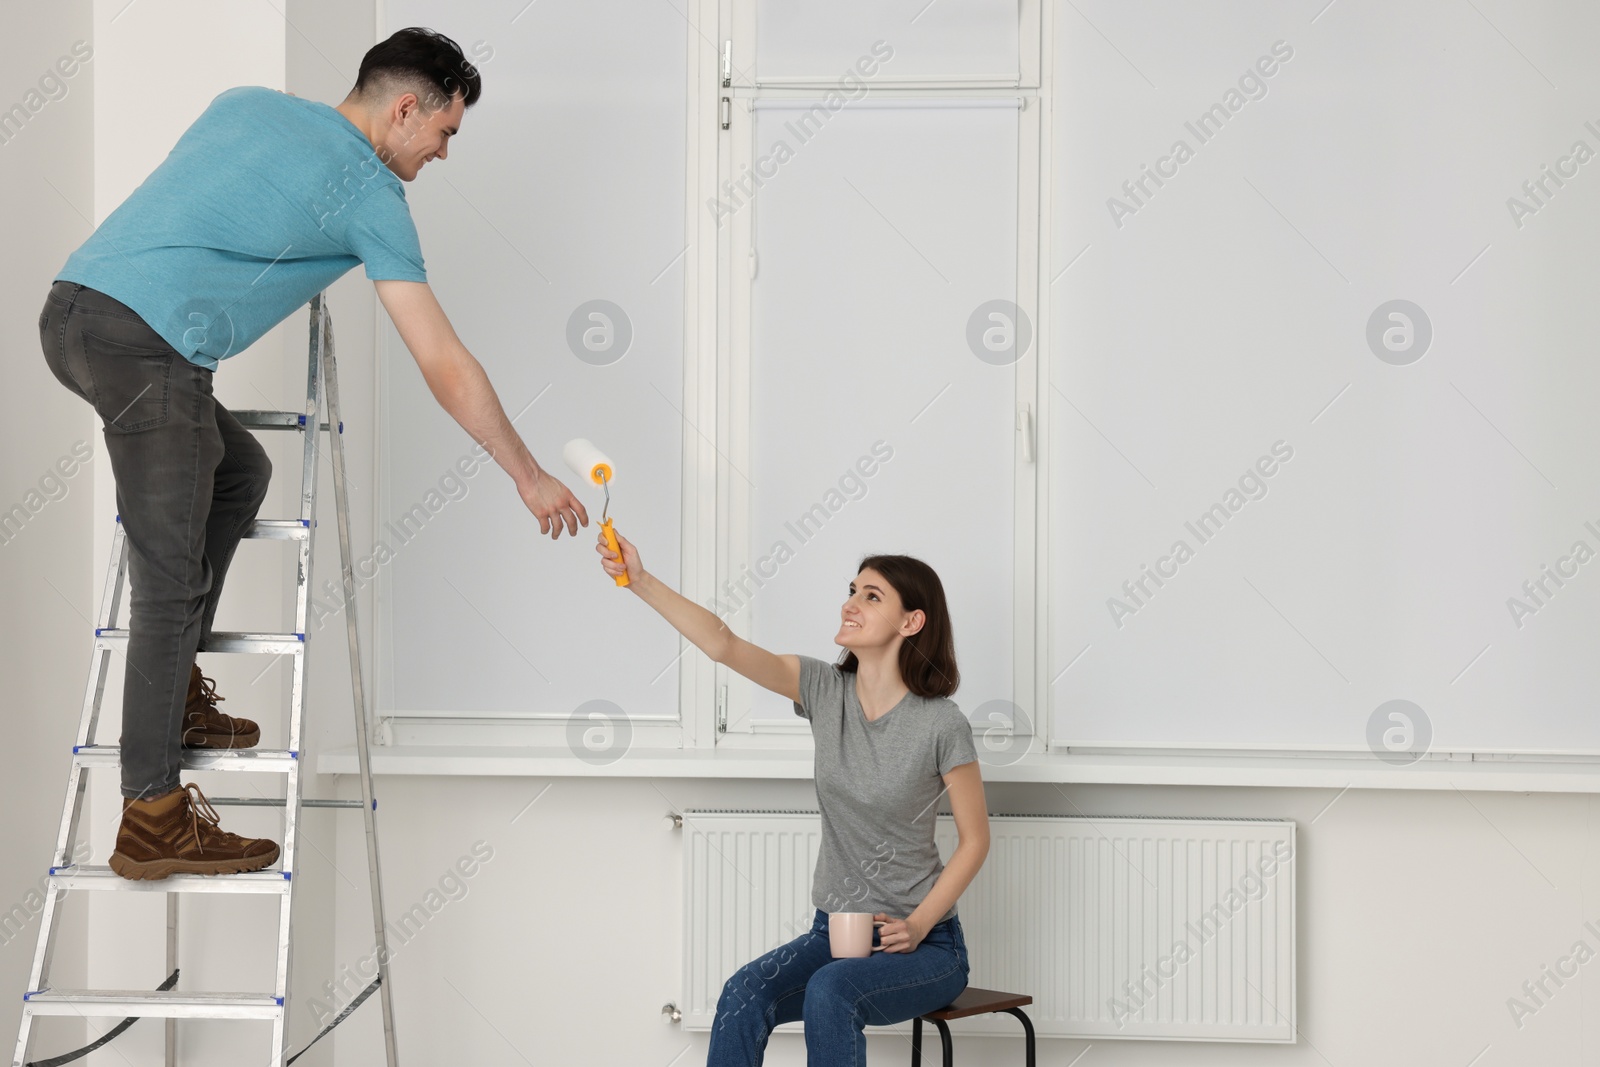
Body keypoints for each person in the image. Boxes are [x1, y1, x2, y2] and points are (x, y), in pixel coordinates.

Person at [39, 28, 588, 880]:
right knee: (168, 575)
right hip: (148, 348)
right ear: (406, 108)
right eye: (444, 133)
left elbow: (212, 204)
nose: (442, 154)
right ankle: (151, 816)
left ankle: (177, 693)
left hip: (74, 313)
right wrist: (528, 473)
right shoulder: (369, 193)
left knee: (240, 471)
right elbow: (444, 363)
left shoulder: (246, 105)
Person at [596, 531, 990, 1065]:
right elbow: (723, 645)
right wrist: (638, 579)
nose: (850, 603)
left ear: (910, 622)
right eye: (852, 590)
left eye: (871, 596)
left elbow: (975, 841)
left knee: (831, 990)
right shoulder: (824, 690)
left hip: (925, 947)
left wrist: (919, 923)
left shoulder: (941, 723)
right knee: (743, 993)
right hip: (835, 932)